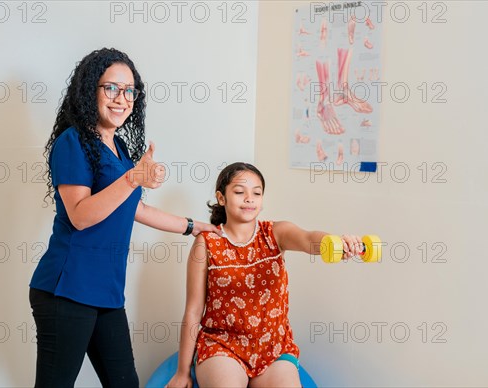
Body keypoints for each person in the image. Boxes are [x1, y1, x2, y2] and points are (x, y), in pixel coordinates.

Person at [28, 47, 219, 388]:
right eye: (111, 88)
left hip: (106, 292)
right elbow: (81, 216)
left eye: (130, 91)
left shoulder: (119, 150)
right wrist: (133, 178)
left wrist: (193, 226)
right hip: (67, 290)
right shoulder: (72, 143)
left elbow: (136, 209)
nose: (122, 98)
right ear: (91, 90)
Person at [166, 162, 363, 388]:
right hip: (222, 345)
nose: (249, 198)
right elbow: (192, 310)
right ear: (222, 198)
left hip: (273, 347)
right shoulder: (206, 244)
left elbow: (309, 240)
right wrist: (182, 373)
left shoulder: (276, 233)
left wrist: (337, 243)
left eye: (257, 193)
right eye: (240, 192)